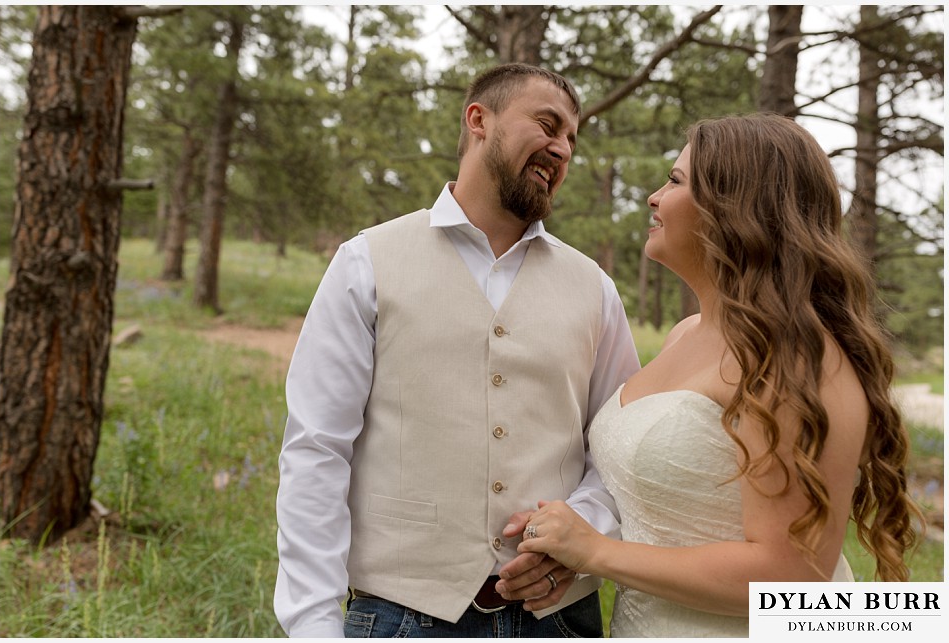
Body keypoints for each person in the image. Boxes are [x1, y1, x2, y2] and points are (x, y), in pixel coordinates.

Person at [505, 113, 920, 637]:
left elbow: (794, 578)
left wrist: (599, 552)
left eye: (676, 182)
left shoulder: (793, 361)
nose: (654, 198)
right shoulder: (685, 333)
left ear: (735, 208)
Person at [274, 63, 641, 637]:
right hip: (401, 618)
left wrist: (585, 531)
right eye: (548, 125)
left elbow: (620, 453)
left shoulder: (594, 287)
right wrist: (313, 625)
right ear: (478, 120)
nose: (562, 149)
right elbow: (316, 448)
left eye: (572, 139)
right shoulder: (366, 262)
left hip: (559, 618)